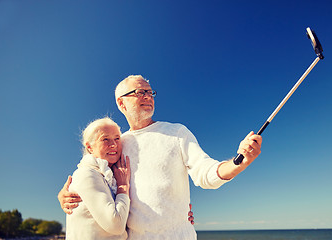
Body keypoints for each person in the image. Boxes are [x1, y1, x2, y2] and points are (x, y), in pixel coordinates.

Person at [59, 75, 262, 240]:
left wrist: (239, 162)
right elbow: (96, 177)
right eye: (140, 92)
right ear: (121, 103)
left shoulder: (177, 132)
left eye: (150, 92)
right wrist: (65, 194)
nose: (148, 96)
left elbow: (205, 172)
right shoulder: (119, 143)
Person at [65, 117, 130, 240]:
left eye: (117, 138)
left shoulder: (108, 175)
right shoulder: (86, 174)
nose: (113, 145)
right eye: (105, 139)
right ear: (89, 147)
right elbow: (115, 225)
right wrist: (123, 186)